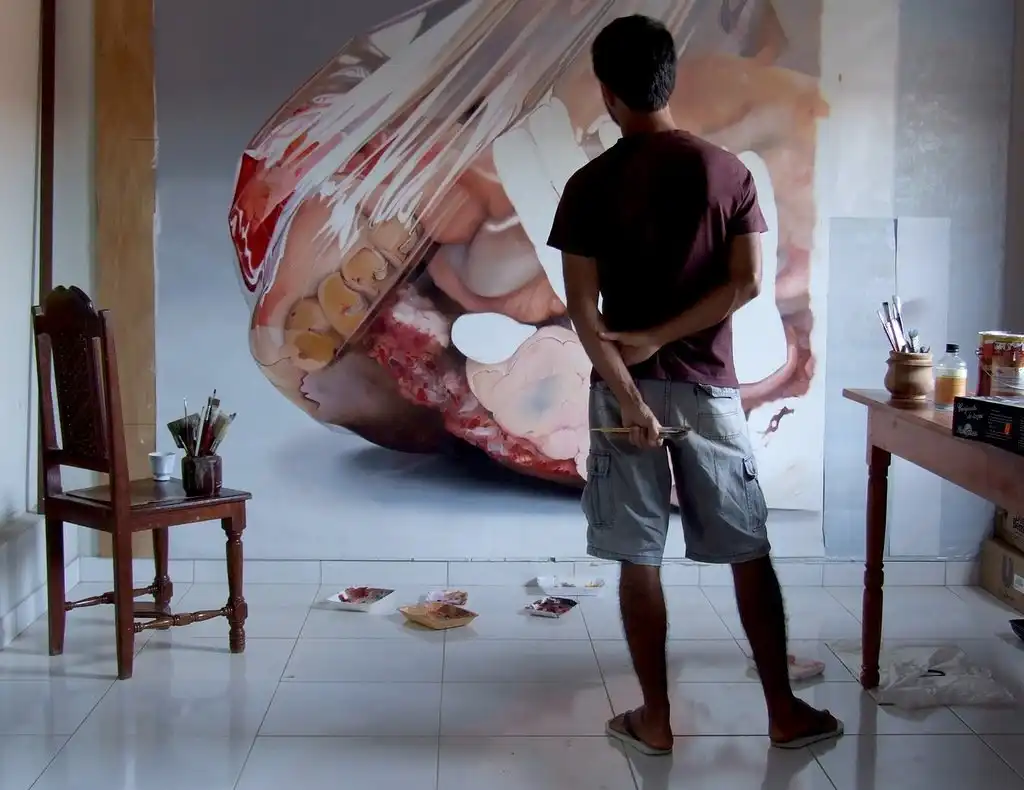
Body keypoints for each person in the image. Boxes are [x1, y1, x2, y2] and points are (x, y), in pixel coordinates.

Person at [546, 14, 843, 756]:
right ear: (669, 81)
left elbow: (583, 312)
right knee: (748, 550)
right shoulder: (726, 172)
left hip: (624, 392)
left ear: (608, 94)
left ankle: (655, 721)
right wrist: (667, 336)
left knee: (638, 557)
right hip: (709, 390)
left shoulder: (588, 185)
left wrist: (634, 382)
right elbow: (747, 284)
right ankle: (783, 712)